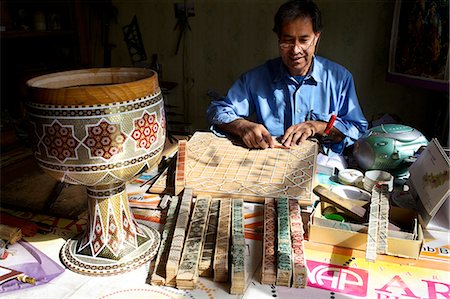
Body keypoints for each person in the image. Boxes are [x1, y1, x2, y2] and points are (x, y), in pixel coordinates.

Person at [206, 0, 368, 155]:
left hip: (321, 165)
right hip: (269, 162)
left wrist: (318, 127)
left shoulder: (339, 79)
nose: (296, 50)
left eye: (304, 40)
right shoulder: (256, 79)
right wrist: (242, 126)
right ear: (279, 39)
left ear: (316, 38)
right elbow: (218, 110)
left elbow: (358, 129)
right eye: (287, 41)